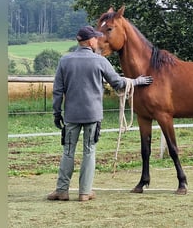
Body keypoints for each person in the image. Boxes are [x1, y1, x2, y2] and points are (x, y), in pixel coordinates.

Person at [47, 26, 153, 201]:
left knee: (68, 151)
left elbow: (58, 91)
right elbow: (118, 83)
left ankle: (62, 190)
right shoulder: (99, 61)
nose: (97, 41)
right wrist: (137, 81)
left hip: (71, 115)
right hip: (92, 115)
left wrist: (57, 113)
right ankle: (85, 192)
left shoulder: (65, 61)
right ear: (90, 41)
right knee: (89, 151)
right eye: (95, 38)